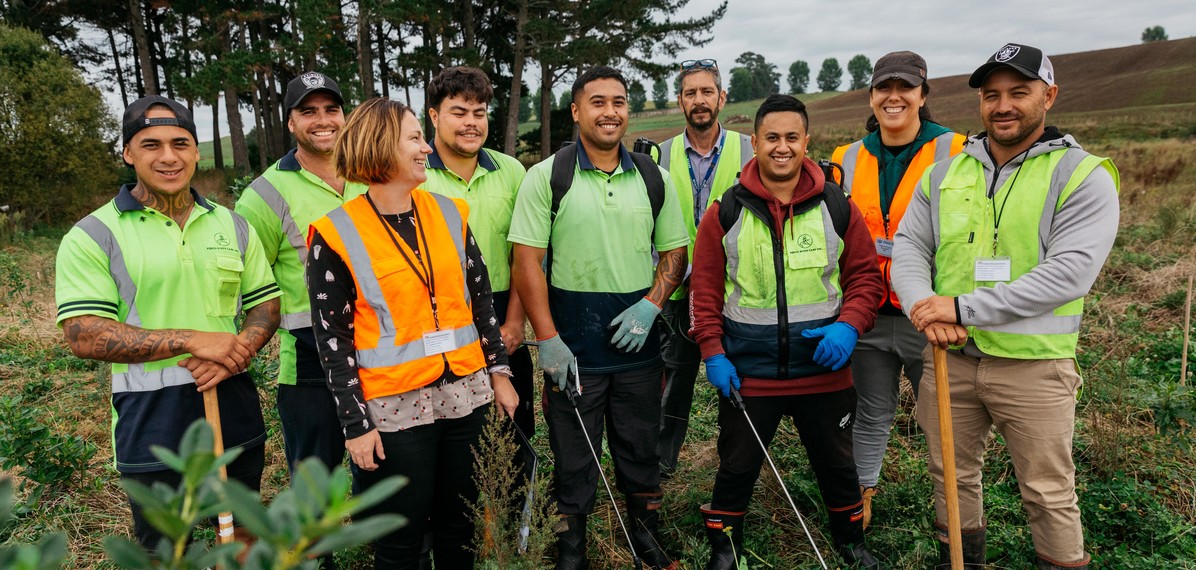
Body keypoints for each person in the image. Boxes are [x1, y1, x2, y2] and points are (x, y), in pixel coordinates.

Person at [892, 43, 1119, 570]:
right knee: (950, 477)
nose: (1003, 106)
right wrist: (924, 307)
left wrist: (960, 309)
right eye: (991, 95)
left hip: (1035, 366)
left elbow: (1069, 274)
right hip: (951, 359)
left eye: (1019, 92)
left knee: (1047, 490)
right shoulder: (944, 172)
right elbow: (908, 246)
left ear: (1049, 96)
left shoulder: (1082, 175)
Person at [55, 95, 281, 550]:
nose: (168, 157)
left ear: (197, 151)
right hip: (151, 419)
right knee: (164, 549)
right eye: (151, 144)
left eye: (180, 143)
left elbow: (265, 304)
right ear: (128, 153)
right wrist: (194, 341)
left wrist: (235, 353)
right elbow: (83, 333)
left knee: (241, 538)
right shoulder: (94, 234)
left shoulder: (233, 226)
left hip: (230, 400)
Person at [306, 97, 518, 569]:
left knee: (460, 528)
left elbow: (480, 302)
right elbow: (332, 341)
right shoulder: (335, 233)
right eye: (414, 138)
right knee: (400, 541)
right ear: (381, 146)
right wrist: (356, 426)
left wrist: (499, 374)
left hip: (465, 396)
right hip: (394, 410)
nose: (426, 147)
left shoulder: (449, 213)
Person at [689, 94, 885, 570]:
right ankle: (724, 547)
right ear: (754, 142)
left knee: (838, 466)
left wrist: (849, 327)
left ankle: (851, 541)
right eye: (771, 138)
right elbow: (705, 293)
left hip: (824, 372)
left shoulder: (837, 206)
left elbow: (864, 279)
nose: (782, 147)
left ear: (806, 141)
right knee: (737, 465)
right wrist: (713, 352)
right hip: (748, 374)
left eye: (791, 137)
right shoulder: (725, 212)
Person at [509, 66, 688, 570]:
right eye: (598, 102)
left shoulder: (654, 177)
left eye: (619, 102)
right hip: (574, 349)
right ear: (576, 111)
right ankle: (572, 552)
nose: (610, 112)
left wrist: (652, 303)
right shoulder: (547, 177)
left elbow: (675, 252)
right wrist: (547, 338)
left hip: (639, 351)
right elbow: (526, 261)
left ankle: (646, 543)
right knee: (573, 456)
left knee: (639, 448)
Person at [830, 51, 966, 528]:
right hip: (867, 315)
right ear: (871, 96)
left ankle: (953, 515)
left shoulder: (958, 151)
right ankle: (862, 500)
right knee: (870, 413)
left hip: (929, 316)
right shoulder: (845, 158)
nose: (894, 97)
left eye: (905, 88)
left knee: (943, 421)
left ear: (923, 95)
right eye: (883, 88)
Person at [235, 72, 367, 482]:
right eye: (308, 112)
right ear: (290, 123)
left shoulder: (372, 174)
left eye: (331, 109)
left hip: (382, 353)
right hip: (310, 364)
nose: (322, 120)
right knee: (313, 483)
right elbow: (243, 280)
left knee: (382, 474)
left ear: (345, 116)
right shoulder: (264, 194)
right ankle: (310, 550)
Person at [421, 66, 534, 442]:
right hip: (437, 322)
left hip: (503, 312)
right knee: (456, 437)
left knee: (514, 432)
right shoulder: (416, 176)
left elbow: (524, 256)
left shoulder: (513, 172)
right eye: (459, 112)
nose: (471, 123)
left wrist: (516, 322)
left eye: (479, 113)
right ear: (434, 115)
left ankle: (517, 502)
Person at [655, 58, 754, 478]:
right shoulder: (658, 155)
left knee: (737, 381)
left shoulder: (748, 149)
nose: (699, 100)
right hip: (676, 292)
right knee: (671, 384)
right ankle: (660, 467)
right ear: (680, 101)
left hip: (735, 289)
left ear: (722, 98)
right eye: (690, 93)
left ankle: (735, 465)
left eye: (707, 92)